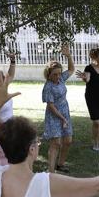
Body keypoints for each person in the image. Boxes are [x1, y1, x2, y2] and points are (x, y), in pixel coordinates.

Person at [42, 45, 75, 173]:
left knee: (67, 141)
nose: (57, 76)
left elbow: (71, 69)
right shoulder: (48, 87)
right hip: (54, 115)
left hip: (64, 112)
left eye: (59, 73)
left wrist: (69, 56)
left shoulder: (61, 79)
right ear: (48, 74)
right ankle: (51, 172)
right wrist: (62, 118)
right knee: (56, 143)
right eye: (55, 74)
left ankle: (60, 164)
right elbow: (50, 106)